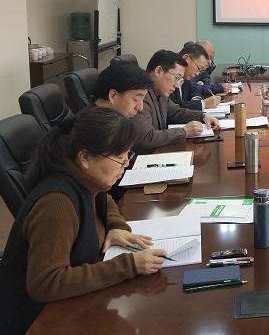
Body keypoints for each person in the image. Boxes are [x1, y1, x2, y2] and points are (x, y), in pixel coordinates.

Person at [0, 107, 167, 335]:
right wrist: (128, 266)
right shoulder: (57, 204)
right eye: (119, 158)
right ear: (85, 158)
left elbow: (106, 200)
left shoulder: (86, 179)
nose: (125, 164)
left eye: (126, 156)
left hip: (71, 305)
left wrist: (115, 226)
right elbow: (45, 283)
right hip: (39, 321)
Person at [133, 49, 220, 154]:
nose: (177, 85)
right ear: (158, 71)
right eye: (176, 78)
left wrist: (203, 116)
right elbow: (147, 138)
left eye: (179, 80)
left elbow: (176, 112)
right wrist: (184, 132)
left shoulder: (160, 92)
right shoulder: (141, 96)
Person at [169, 42, 222, 110]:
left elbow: (194, 91)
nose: (197, 74)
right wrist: (203, 104)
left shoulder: (186, 76)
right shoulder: (169, 74)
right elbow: (173, 108)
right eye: (199, 68)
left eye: (201, 70)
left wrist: (196, 99)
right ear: (186, 58)